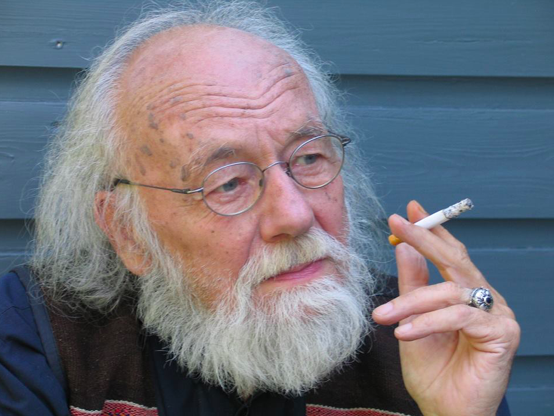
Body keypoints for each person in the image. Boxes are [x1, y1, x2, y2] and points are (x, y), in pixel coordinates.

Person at [0, 1, 520, 415]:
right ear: (127, 232)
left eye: (309, 158)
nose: (295, 216)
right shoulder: (34, 343)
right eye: (227, 183)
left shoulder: (421, 342)